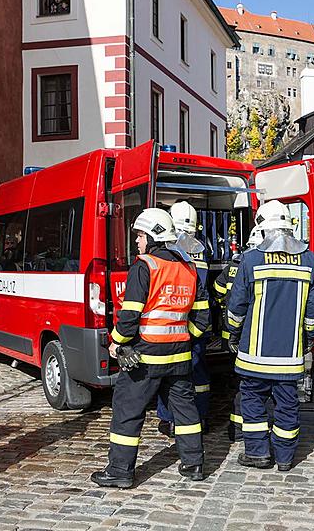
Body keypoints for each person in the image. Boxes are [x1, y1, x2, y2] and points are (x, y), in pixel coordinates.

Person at [91, 209, 211, 487]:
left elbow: (130, 316)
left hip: (145, 357)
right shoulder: (189, 267)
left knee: (127, 410)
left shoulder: (144, 266)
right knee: (186, 411)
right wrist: (185, 337)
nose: (137, 241)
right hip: (180, 356)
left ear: (153, 236)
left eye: (140, 235)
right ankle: (194, 464)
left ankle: (120, 471)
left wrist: (116, 343)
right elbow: (203, 317)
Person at [226, 201, 314, 470]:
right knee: (287, 404)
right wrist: (308, 340)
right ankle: (284, 457)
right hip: (289, 355)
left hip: (253, 353)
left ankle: (257, 453)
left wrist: (233, 334)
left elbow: (237, 306)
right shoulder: (310, 260)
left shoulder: (251, 259)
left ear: (261, 225)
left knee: (253, 402)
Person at [156, 201, 211, 436]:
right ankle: (200, 417)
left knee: (170, 376)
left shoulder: (168, 248)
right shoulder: (200, 248)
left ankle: (169, 419)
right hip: (196, 326)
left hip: (172, 326)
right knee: (197, 375)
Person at [214, 226, 263, 442]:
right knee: (249, 385)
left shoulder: (234, 266)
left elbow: (217, 289)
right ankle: (242, 428)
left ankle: (236, 428)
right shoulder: (258, 267)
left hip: (230, 332)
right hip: (251, 336)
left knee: (238, 382)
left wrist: (222, 305)